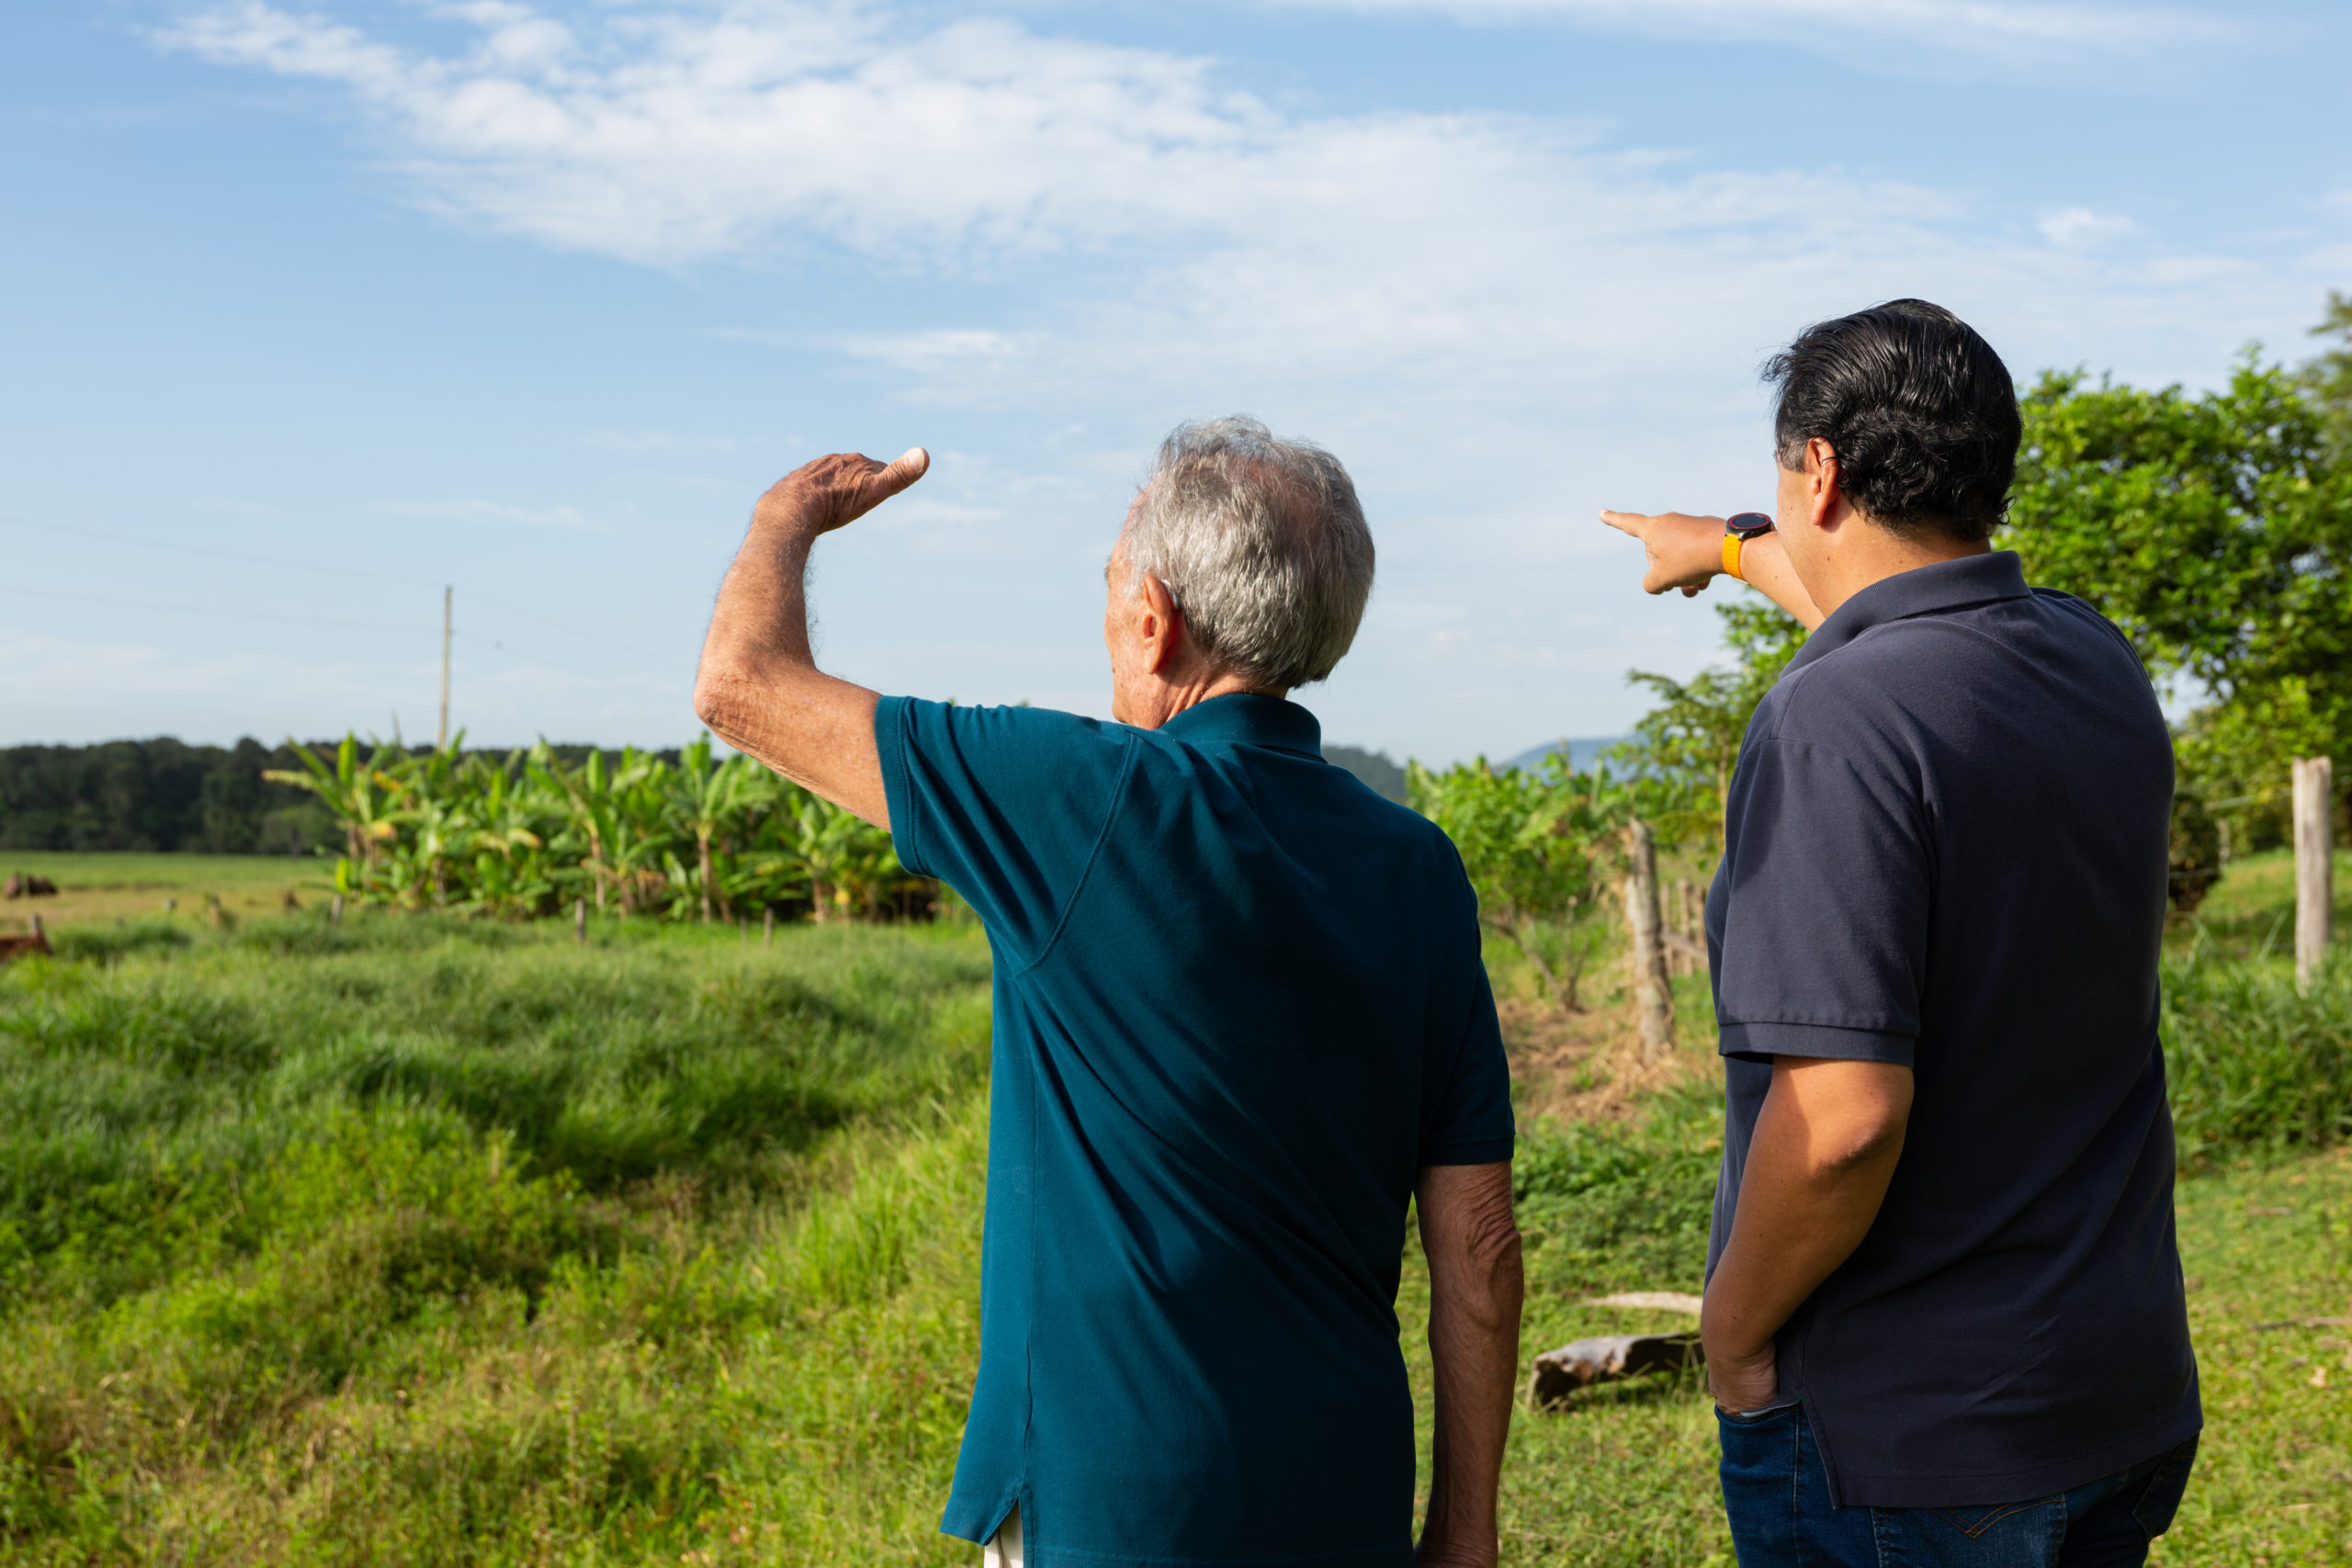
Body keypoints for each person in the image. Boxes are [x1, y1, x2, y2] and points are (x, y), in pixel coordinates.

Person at [694, 417, 1524, 1568]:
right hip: (1346, 1483)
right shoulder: (1418, 866)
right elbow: (1476, 1237)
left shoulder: (1078, 799)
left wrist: (784, 518)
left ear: (1153, 619)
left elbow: (740, 687)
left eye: (1108, 595)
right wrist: (1467, 1533)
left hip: (1119, 1502)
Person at [1600, 299, 2200, 1567]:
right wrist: (1719, 545)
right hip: (2110, 1393)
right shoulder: (2093, 656)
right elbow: (1881, 615)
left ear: (1818, 468)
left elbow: (1842, 1122)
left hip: (1911, 1443)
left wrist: (1735, 1329)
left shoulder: (1833, 721)